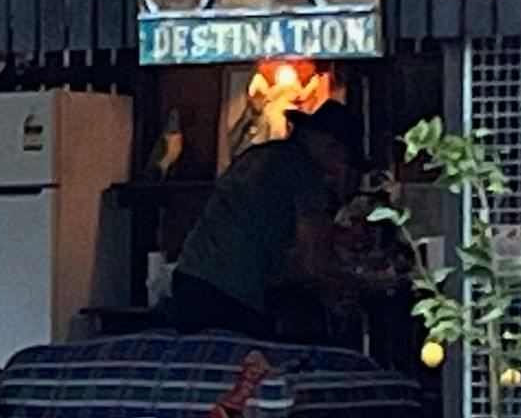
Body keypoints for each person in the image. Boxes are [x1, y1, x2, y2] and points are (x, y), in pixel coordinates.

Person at [157, 99, 378, 340]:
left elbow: (258, 221)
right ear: (330, 145)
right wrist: (354, 286)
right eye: (342, 158)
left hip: (191, 275)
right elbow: (314, 259)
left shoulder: (257, 156)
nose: (337, 168)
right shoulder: (304, 173)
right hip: (233, 292)